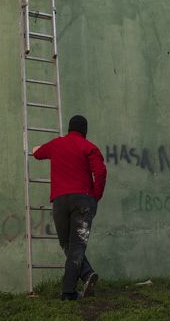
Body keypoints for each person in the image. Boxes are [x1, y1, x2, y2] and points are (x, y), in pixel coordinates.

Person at [32, 115, 107, 300]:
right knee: (77, 245)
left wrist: (35, 149)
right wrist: (95, 197)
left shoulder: (56, 144)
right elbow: (100, 172)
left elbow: (38, 153)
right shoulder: (90, 147)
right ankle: (70, 290)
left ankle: (85, 277)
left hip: (60, 202)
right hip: (83, 201)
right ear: (85, 131)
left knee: (67, 243)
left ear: (69, 128)